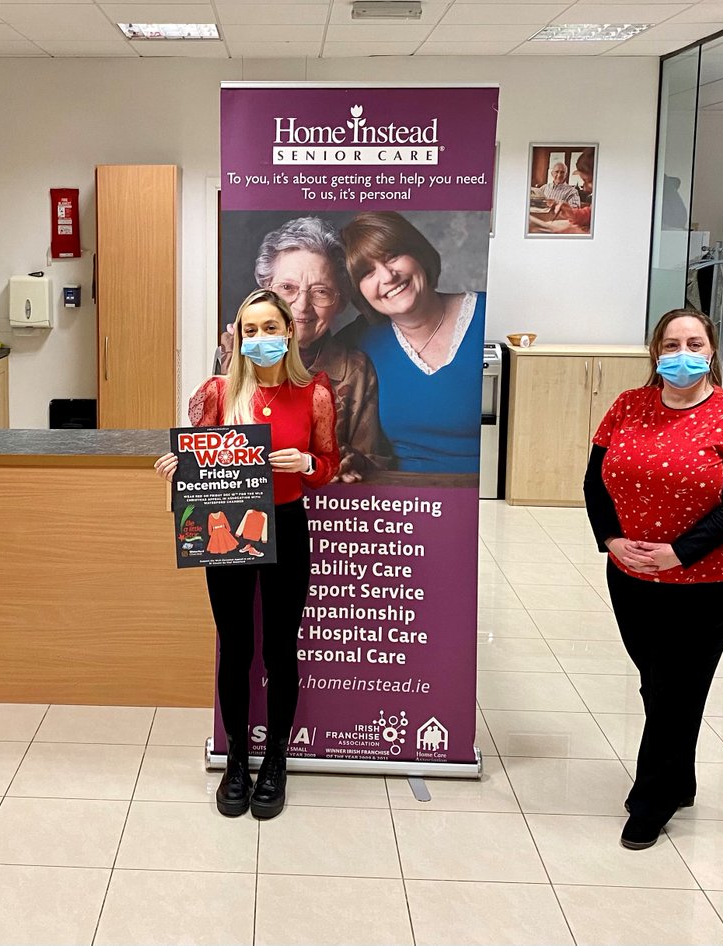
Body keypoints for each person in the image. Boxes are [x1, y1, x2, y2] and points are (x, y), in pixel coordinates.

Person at [583, 308, 723, 851]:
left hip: (709, 580)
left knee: (678, 686)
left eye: (693, 342)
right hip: (631, 573)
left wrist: (678, 553)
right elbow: (596, 481)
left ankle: (652, 799)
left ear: (710, 351)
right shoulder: (628, 406)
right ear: (655, 351)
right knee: (656, 681)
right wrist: (613, 540)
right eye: (670, 342)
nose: (681, 352)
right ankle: (678, 779)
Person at [156, 289, 340, 819]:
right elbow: (199, 462)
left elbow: (329, 463)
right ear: (238, 338)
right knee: (235, 647)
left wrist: (305, 463)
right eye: (249, 330)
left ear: (290, 331)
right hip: (226, 529)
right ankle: (237, 756)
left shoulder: (315, 395)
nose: (260, 339)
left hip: (286, 526)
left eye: (269, 328)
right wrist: (178, 466)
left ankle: (276, 760)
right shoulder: (216, 393)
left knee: (281, 649)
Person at [218, 216, 389, 481]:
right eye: (287, 288)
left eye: (321, 292)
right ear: (266, 291)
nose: (301, 306)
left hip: (329, 512)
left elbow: (372, 463)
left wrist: (347, 460)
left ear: (341, 302)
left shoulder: (357, 370)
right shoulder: (233, 352)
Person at [341, 212, 485, 474]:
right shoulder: (360, 342)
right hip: (408, 504)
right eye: (367, 272)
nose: (387, 276)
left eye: (392, 256)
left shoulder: (490, 315)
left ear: (418, 253)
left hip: (488, 499)